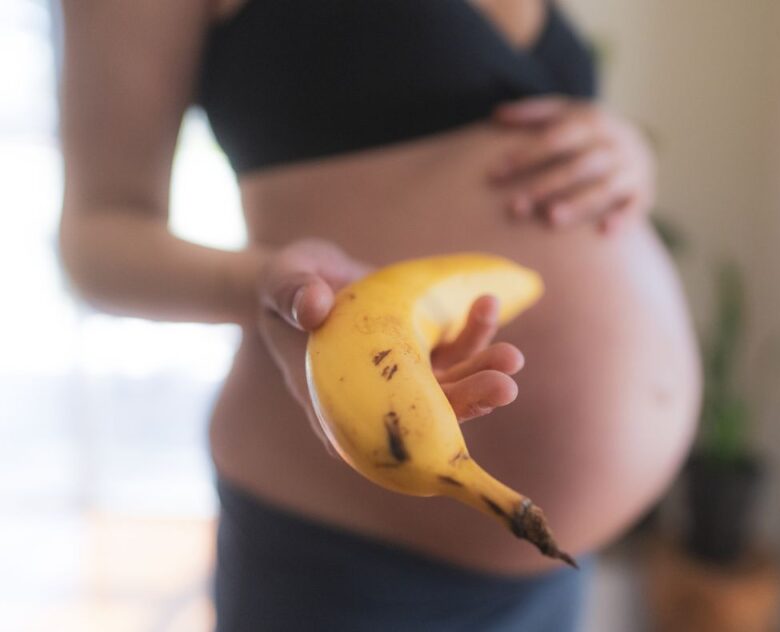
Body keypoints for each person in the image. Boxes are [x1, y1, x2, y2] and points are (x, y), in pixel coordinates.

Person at [58, 0, 701, 630]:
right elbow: (98, 235)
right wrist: (259, 282)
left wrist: (625, 153)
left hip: (554, 573)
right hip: (342, 565)